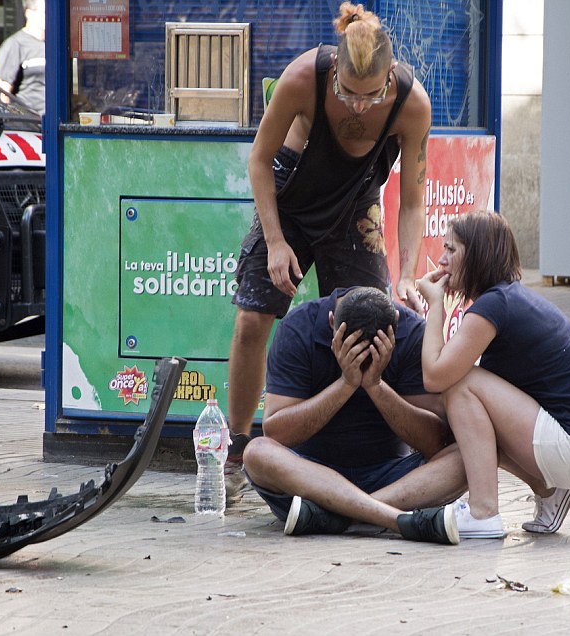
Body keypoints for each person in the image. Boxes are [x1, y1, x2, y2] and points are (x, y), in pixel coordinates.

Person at [225, 2, 432, 501]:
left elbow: (412, 199)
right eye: (348, 94)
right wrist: (275, 243)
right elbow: (257, 161)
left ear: (389, 81)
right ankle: (237, 451)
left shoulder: (411, 103)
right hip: (290, 198)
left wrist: (408, 272)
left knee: (367, 320)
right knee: (253, 320)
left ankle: (360, 450)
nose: (359, 107)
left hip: (356, 207)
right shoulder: (303, 78)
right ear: (335, 70)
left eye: (371, 96)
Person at [416, 212, 570, 540]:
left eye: (451, 250)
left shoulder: (493, 306)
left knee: (460, 385)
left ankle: (483, 513)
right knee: (468, 412)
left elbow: (435, 377)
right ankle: (549, 492)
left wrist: (434, 305)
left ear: (477, 254)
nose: (441, 260)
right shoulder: (505, 298)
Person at [241, 287, 466, 545]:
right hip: (309, 480)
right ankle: (393, 519)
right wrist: (346, 384)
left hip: (392, 481)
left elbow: (435, 442)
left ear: (395, 322)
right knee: (257, 452)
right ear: (331, 322)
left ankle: (340, 516)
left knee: (471, 453)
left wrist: (376, 386)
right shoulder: (298, 328)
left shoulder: (412, 332)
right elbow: (277, 433)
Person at [0, 0, 45, 115]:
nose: (49, 18)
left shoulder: (53, 46)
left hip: (52, 121)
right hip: (29, 121)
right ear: (29, 13)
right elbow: (4, 91)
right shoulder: (15, 44)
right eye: (45, 13)